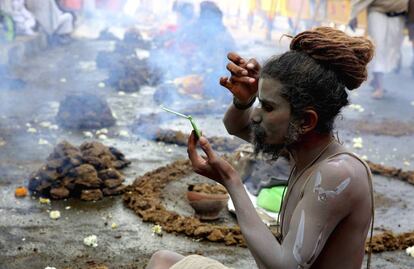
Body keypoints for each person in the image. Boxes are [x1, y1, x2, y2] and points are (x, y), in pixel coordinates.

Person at [146, 27, 375, 269]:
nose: (255, 116)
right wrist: (243, 100)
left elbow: (285, 266)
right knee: (162, 260)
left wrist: (231, 181)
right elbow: (235, 125)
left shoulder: (336, 173)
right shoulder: (303, 148)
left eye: (267, 107)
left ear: (306, 121)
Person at [351, 0, 409, 99]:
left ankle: (376, 78)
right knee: (378, 48)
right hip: (378, 12)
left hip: (399, 15)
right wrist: (353, 15)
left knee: (391, 50)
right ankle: (379, 87)